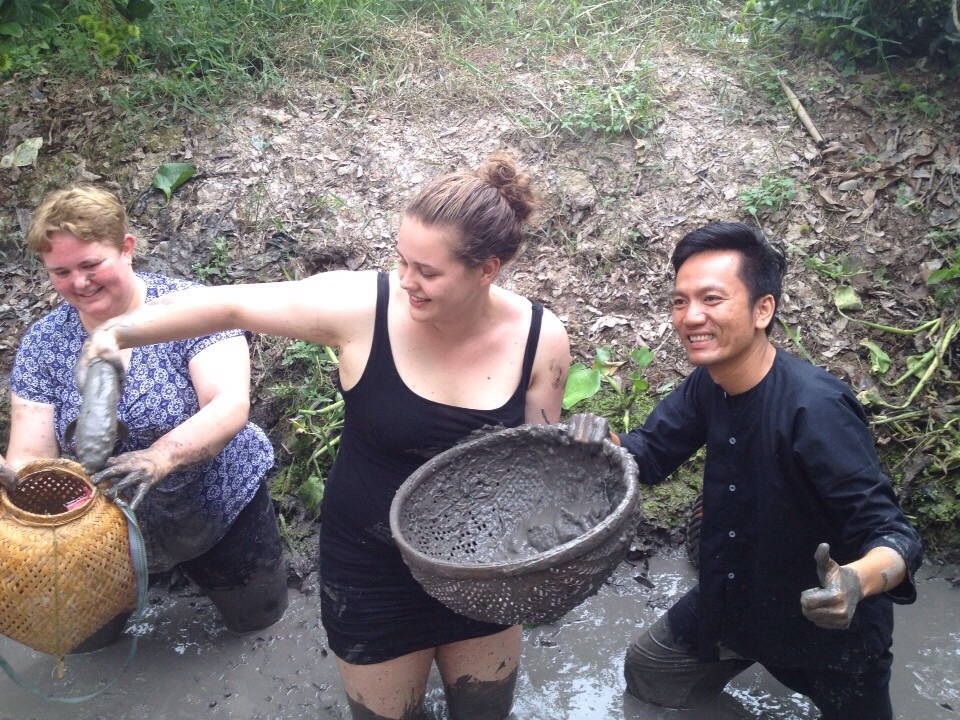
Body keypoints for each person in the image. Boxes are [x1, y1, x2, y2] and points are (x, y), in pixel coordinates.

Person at [78, 152, 571, 720]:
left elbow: (536, 463)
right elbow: (232, 303)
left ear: (487, 268)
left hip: (481, 564)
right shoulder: (365, 307)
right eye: (401, 260)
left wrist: (558, 508)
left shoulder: (539, 338)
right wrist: (116, 333)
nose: (406, 281)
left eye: (427, 272)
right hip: (370, 564)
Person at [575, 221, 923, 719]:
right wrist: (599, 441)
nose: (691, 316)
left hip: (824, 628)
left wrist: (856, 582)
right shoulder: (707, 384)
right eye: (680, 301)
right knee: (650, 673)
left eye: (712, 299)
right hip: (734, 599)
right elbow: (648, 453)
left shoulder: (815, 407)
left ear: (764, 309)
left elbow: (893, 534)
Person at [4, 185, 288, 644]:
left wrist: (161, 456)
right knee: (85, 643)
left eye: (91, 265)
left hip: (216, 504)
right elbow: (30, 451)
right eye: (61, 271)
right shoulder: (44, 342)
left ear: (127, 248)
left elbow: (229, 403)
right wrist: (14, 483)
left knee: (257, 621)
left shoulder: (191, 307)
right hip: (98, 530)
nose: (79, 282)